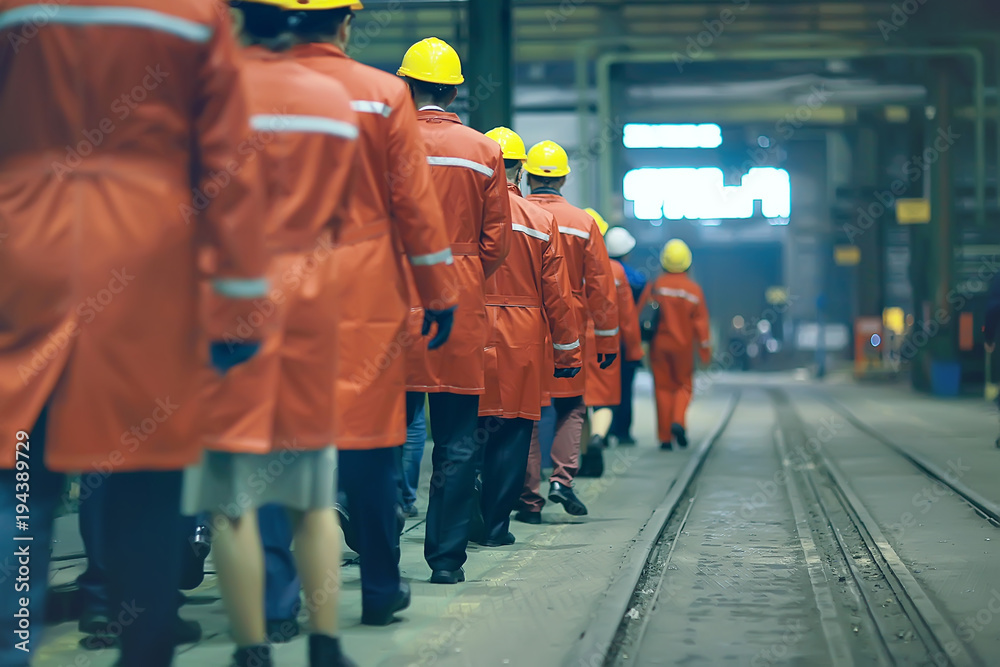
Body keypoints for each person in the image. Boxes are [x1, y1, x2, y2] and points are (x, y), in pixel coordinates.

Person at [0, 2, 268, 665]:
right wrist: (237, 310)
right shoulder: (192, 11)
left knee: (18, 465)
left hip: (23, 239)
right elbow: (229, 167)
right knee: (142, 466)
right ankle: (144, 645)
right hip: (148, 253)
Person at [181, 2, 360, 666]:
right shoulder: (332, 100)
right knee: (313, 493)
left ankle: (252, 647)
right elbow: (345, 212)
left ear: (236, 19)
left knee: (233, 497)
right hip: (311, 301)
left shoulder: (215, 93)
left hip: (232, 302)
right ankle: (326, 642)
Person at [280, 2, 458, 625]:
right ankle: (380, 589)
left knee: (278, 446)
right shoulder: (384, 97)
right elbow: (414, 207)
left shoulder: (240, 85)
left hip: (269, 296)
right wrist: (438, 293)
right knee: (372, 451)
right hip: (365, 301)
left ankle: (277, 604)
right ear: (345, 24)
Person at [398, 37, 512, 584]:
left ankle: (375, 553)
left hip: (393, 298)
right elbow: (497, 243)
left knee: (380, 433)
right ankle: (445, 560)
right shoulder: (484, 150)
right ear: (454, 88)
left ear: (407, 84)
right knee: (458, 439)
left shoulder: (384, 139)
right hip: (461, 302)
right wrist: (462, 270)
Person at [474, 126, 582, 546]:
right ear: (520, 170)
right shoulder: (541, 221)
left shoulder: (468, 215)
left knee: (466, 431)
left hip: (472, 329)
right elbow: (559, 297)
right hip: (523, 337)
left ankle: (466, 510)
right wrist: (568, 354)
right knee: (515, 431)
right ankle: (497, 527)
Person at [515, 140, 619, 523]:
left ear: (527, 176)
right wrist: (607, 342)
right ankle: (562, 480)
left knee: (526, 412)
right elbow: (601, 290)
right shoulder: (583, 221)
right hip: (569, 330)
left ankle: (528, 500)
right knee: (571, 407)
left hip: (522, 326)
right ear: (563, 178)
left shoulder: (516, 214)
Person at [579, 213, 643, 478]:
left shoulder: (568, 263)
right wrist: (635, 349)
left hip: (574, 342)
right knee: (604, 399)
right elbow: (626, 316)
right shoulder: (615, 271)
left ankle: (581, 458)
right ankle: (598, 436)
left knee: (578, 403)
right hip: (606, 342)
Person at [639, 239, 711, 450]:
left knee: (662, 388)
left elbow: (641, 314)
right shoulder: (693, 290)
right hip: (683, 347)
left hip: (659, 346)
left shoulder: (656, 285)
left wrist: (640, 344)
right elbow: (701, 323)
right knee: (684, 386)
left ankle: (664, 438)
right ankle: (678, 421)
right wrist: (705, 350)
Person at [604, 226, 646, 445]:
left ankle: (601, 432)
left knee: (601, 391)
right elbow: (629, 319)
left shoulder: (595, 270)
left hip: (598, 343)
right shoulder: (636, 280)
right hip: (622, 343)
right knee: (625, 388)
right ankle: (622, 433)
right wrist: (635, 349)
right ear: (628, 252)